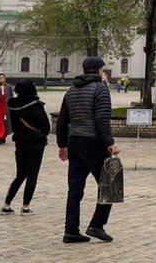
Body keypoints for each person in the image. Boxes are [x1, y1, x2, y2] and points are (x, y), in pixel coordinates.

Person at [56, 56, 120, 244]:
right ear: (99, 70)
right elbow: (101, 118)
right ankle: (96, 224)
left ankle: (71, 230)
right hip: (93, 142)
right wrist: (110, 142)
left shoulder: (71, 89)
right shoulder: (100, 88)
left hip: (74, 142)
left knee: (74, 190)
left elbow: (61, 121)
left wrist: (62, 145)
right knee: (110, 182)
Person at [2, 79, 50, 216]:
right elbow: (46, 127)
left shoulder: (13, 104)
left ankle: (6, 204)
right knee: (32, 176)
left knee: (20, 175)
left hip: (20, 142)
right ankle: (25, 207)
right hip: (36, 143)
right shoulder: (36, 105)